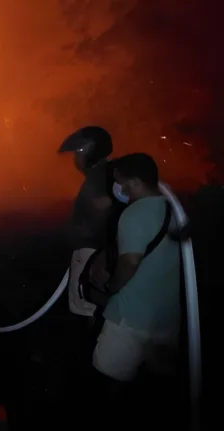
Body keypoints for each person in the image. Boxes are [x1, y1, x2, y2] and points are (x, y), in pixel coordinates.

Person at [92, 153, 181, 385]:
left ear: (134, 182)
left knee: (108, 377)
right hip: (166, 319)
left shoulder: (134, 213)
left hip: (131, 318)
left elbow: (131, 261)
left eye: (118, 181)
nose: (116, 187)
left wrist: (111, 285)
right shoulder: (175, 210)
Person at [58, 126, 123, 321]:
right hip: (97, 252)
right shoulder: (109, 173)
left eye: (78, 152)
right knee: (89, 305)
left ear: (90, 151)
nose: (75, 159)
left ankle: (98, 339)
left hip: (92, 254)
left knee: (87, 307)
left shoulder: (100, 176)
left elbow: (102, 209)